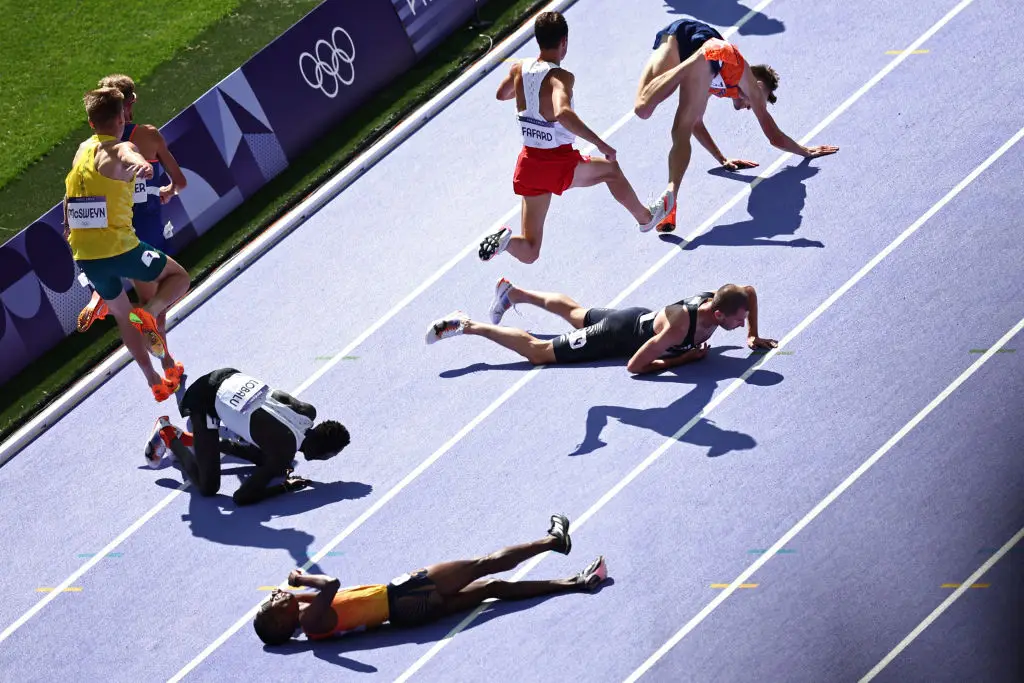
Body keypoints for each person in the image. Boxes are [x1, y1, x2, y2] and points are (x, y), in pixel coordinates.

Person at [479, 11, 673, 264]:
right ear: (564, 43)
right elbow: (562, 113)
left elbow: (501, 94)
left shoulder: (518, 69)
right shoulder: (561, 78)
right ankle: (646, 219)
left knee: (530, 250)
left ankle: (505, 243)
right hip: (556, 162)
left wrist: (526, 85)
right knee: (611, 171)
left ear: (538, 41)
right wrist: (601, 144)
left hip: (528, 165)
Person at [252, 514, 607, 645]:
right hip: (404, 593)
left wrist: (289, 594)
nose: (272, 599)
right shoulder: (310, 620)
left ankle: (575, 583)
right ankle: (553, 541)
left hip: (406, 615)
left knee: (494, 591)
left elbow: (296, 601)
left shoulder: (308, 625)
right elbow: (330, 585)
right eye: (270, 607)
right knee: (484, 565)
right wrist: (301, 578)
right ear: (282, 623)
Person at [633, 17, 839, 232]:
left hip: (703, 56)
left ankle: (671, 196)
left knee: (646, 111)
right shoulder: (750, 84)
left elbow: (696, 123)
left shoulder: (722, 84)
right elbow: (773, 136)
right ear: (759, 87)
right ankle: (693, 61)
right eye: (760, 99)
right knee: (646, 111)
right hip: (690, 39)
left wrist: (721, 158)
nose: (752, 107)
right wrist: (805, 151)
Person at [63, 87, 190, 401]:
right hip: (121, 248)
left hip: (86, 255)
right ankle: (149, 314)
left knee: (123, 316)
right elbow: (126, 155)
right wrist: (140, 165)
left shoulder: (81, 151)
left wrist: (68, 226)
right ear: (122, 118)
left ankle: (155, 381)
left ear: (92, 123)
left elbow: (68, 200)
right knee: (178, 279)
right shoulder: (121, 148)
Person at [425, 278, 776, 374]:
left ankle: (513, 292)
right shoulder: (676, 329)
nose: (742, 320)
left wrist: (752, 334)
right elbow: (635, 365)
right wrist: (681, 361)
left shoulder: (723, 299)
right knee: (539, 353)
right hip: (616, 337)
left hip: (635, 316)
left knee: (576, 314)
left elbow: (750, 292)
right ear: (717, 315)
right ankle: (468, 324)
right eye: (740, 320)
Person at [77, 73, 188, 345]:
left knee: (119, 277)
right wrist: (167, 191)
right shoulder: (147, 136)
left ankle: (98, 295)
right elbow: (180, 182)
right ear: (132, 101)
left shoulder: (94, 147)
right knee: (160, 296)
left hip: (109, 230)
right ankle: (166, 365)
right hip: (145, 226)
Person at [145, 367, 350, 506]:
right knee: (208, 487)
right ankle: (168, 434)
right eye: (331, 455)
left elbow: (272, 433)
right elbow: (242, 497)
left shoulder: (307, 412)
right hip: (204, 400)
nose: (327, 459)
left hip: (227, 375)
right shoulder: (283, 452)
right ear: (321, 451)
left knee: (271, 463)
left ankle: (198, 440)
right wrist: (285, 487)